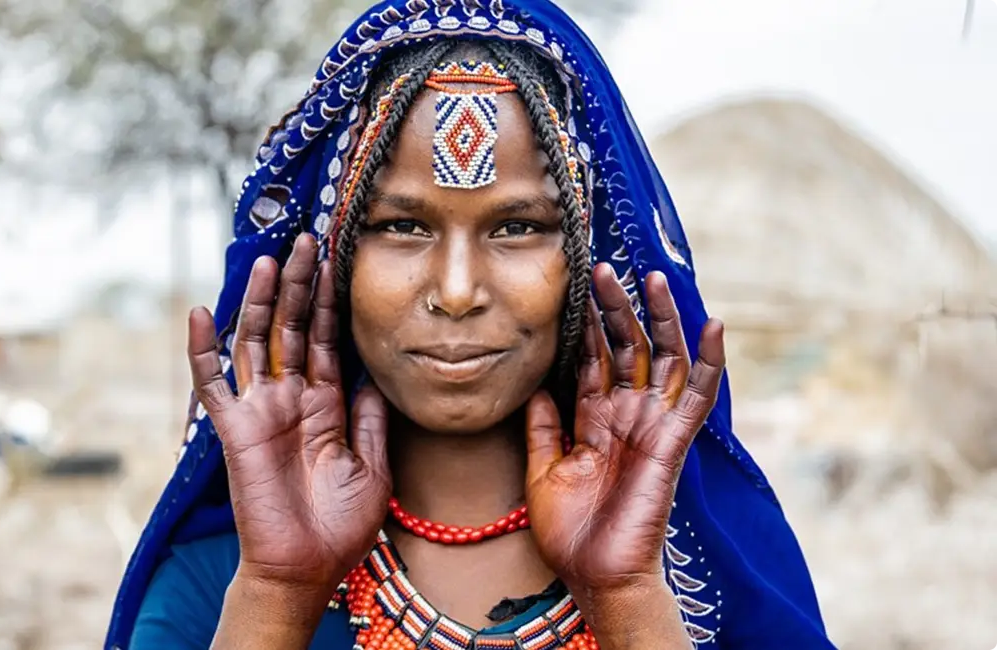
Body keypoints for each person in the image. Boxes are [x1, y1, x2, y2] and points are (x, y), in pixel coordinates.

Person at [106, 1, 835, 648]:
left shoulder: (706, 585)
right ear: (334, 258)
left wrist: (626, 601)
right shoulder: (217, 589)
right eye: (401, 226)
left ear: (588, 255)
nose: (456, 292)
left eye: (517, 226)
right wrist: (277, 594)